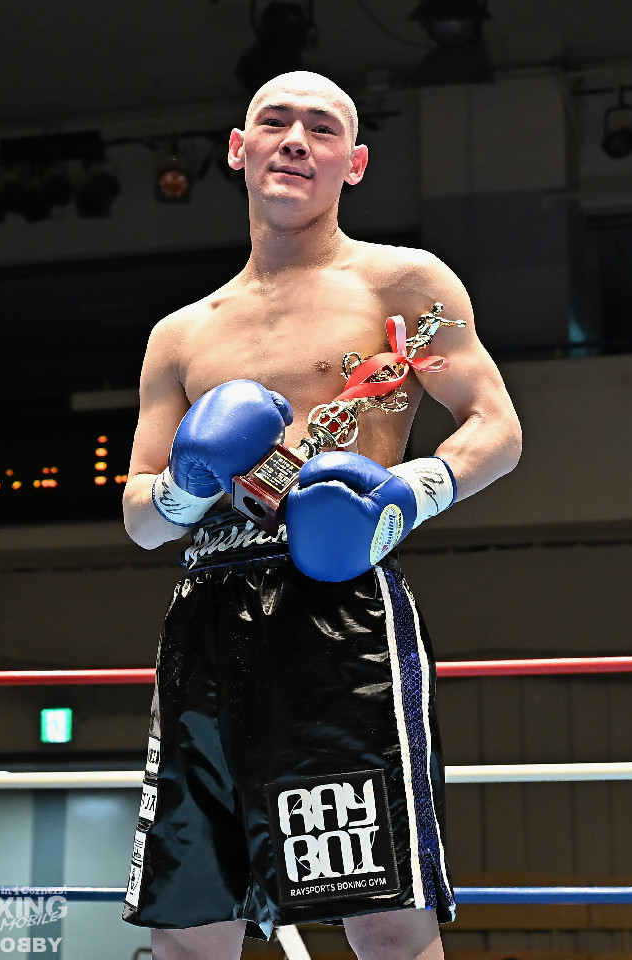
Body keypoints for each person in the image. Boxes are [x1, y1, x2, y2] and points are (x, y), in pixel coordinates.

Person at [121, 71, 521, 960]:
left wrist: (408, 495)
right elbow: (142, 517)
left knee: (383, 919)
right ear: (239, 149)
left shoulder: (402, 283)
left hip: (339, 607)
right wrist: (187, 485)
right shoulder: (180, 334)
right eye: (276, 122)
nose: (297, 140)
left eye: (322, 128)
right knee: (189, 924)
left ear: (355, 162)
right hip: (206, 616)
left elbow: (497, 428)